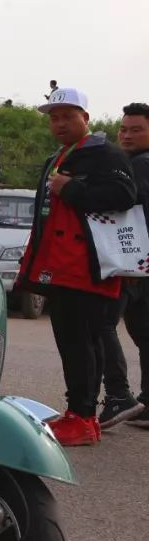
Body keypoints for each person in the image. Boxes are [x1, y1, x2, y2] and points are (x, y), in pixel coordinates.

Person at [15, 88, 137, 445]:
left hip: (84, 268)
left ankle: (81, 417)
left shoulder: (104, 152)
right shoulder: (63, 154)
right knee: (79, 341)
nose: (59, 123)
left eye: (68, 115)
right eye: (54, 117)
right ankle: (83, 416)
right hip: (63, 266)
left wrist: (71, 189)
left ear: (85, 117)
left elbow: (123, 198)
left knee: (79, 342)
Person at [111, 102, 149, 428]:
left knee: (102, 328)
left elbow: (124, 204)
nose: (127, 134)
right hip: (139, 261)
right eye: (124, 128)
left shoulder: (140, 165)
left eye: (136, 129)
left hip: (135, 261)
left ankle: (117, 397)